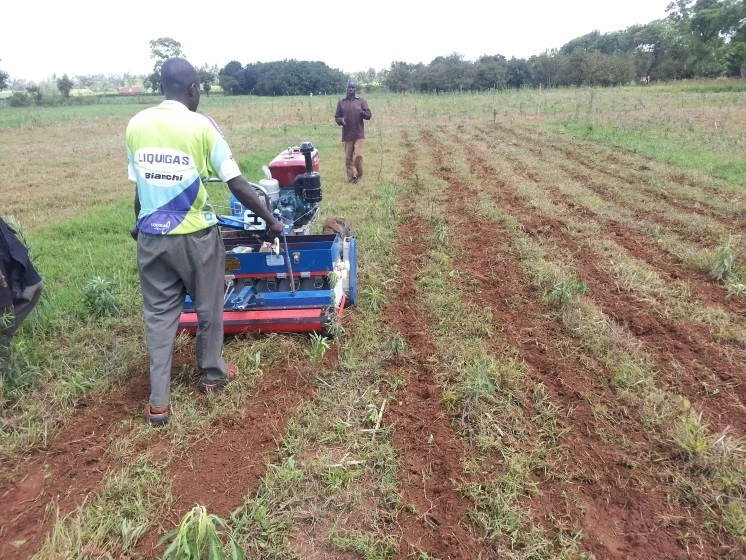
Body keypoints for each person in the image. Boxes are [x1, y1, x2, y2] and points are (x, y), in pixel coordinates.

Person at [126, 57, 285, 426]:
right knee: (209, 306)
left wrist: (139, 223)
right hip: (196, 237)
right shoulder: (201, 126)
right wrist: (271, 219)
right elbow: (238, 184)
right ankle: (212, 374)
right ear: (194, 88)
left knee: (159, 318)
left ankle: (159, 403)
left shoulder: (136, 125)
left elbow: (140, 188)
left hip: (151, 238)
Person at [0, 218, 43, 377]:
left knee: (33, 286)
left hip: (5, 243)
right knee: (5, 310)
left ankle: (4, 341)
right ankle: (4, 374)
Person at [334, 79, 372, 184]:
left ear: (355, 89)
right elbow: (337, 117)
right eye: (349, 87)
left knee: (358, 155)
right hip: (347, 134)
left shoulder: (361, 101)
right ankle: (351, 178)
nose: (351, 89)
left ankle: (359, 176)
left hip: (359, 133)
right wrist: (340, 120)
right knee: (348, 158)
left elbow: (368, 116)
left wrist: (361, 111)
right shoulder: (341, 102)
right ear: (346, 88)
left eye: (353, 87)